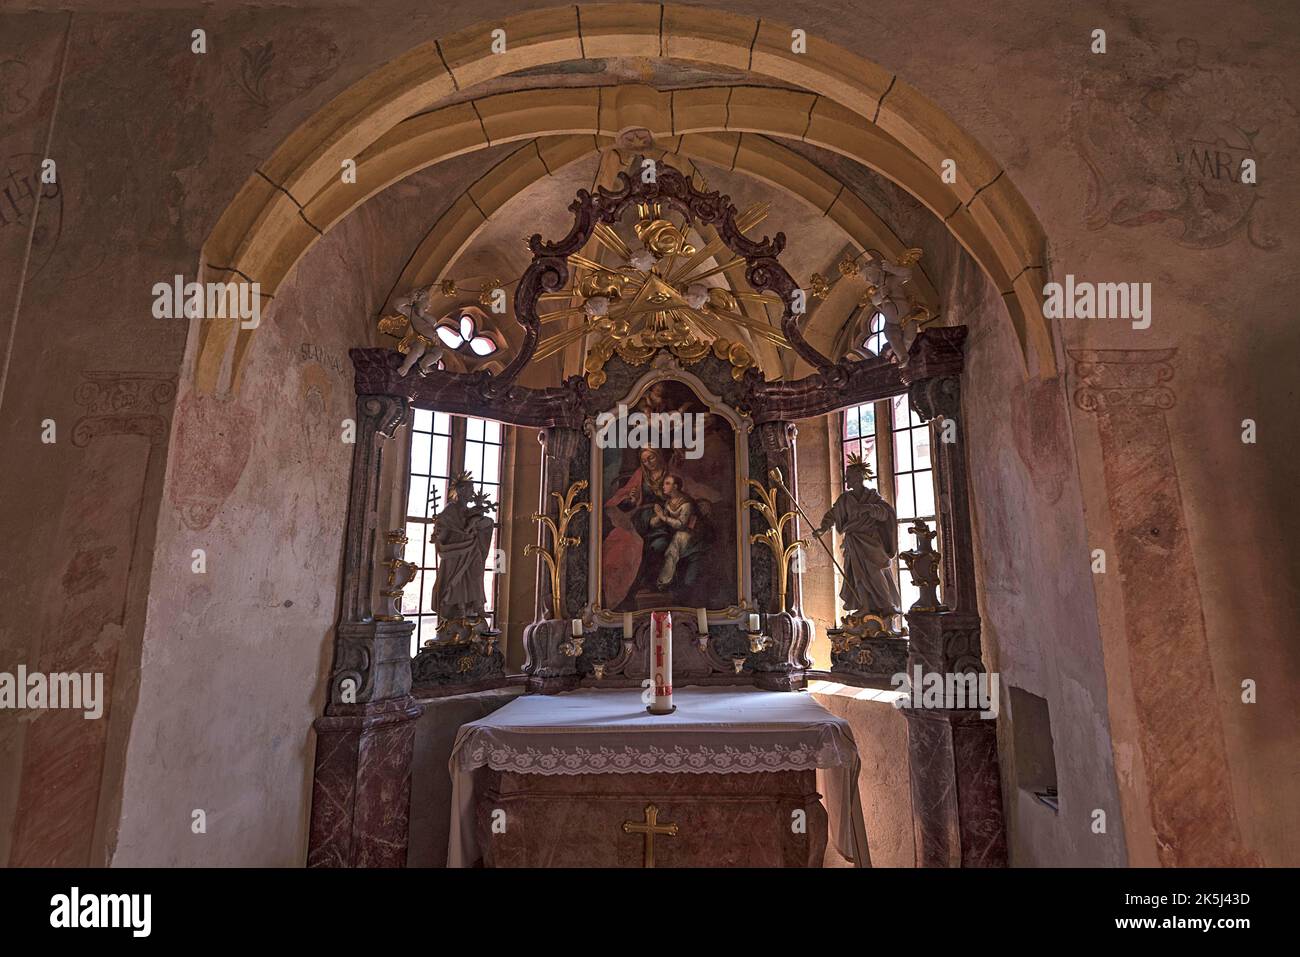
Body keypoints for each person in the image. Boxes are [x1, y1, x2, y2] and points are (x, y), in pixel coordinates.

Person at [815, 454, 901, 617]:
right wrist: (822, 528)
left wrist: (869, 508)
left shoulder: (873, 497)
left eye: (849, 478)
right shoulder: (845, 499)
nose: (847, 481)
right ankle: (865, 606)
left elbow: (885, 514)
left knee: (876, 572)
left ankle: (887, 604)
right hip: (854, 542)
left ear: (858, 478)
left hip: (872, 542)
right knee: (857, 575)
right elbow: (832, 514)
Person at [650, 474, 698, 589]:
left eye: (667, 483)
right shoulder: (669, 502)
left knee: (672, 549)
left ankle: (663, 582)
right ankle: (663, 581)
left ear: (675, 486)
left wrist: (662, 517)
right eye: (663, 484)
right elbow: (658, 522)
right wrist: (657, 516)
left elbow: (681, 525)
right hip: (676, 533)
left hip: (689, 533)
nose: (663, 486)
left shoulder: (686, 503)